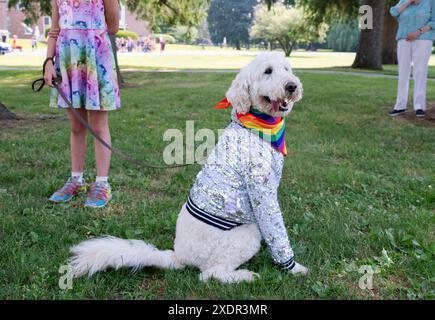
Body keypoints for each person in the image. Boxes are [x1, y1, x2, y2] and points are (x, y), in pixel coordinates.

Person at [44, 0, 121, 208]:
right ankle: (76, 180)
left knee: (97, 126)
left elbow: (112, 26)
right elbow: (55, 30)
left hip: (96, 56)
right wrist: (48, 61)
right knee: (76, 126)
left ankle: (102, 184)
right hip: (67, 58)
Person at [389, 0, 435, 118]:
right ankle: (400, 105)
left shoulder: (430, 1)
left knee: (419, 72)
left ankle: (419, 106)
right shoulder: (404, 1)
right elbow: (393, 12)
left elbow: (434, 21)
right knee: (403, 72)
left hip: (423, 39)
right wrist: (408, 2)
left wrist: (418, 32)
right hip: (403, 39)